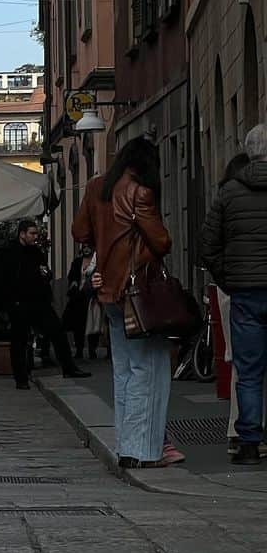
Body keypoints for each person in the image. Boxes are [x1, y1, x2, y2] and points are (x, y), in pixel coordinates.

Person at [73, 136, 174, 469]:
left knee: (125, 370)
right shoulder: (140, 190)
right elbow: (161, 241)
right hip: (137, 291)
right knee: (149, 369)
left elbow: (78, 231)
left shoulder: (96, 186)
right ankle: (145, 451)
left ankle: (127, 446)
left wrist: (104, 246)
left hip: (109, 293)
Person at [202, 126, 267, 466]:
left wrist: (229, 279)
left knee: (249, 370)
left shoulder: (229, 192)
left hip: (244, 293)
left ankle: (249, 443)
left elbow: (208, 245)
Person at [0, 219, 91, 390]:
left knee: (57, 331)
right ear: (22, 234)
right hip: (19, 304)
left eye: (36, 233)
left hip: (39, 302)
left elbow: (46, 272)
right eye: (32, 233)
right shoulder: (8, 253)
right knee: (19, 341)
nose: (35, 237)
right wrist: (9, 304)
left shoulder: (36, 252)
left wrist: (46, 274)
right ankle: (21, 379)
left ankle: (69, 367)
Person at [63, 243, 95, 360]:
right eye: (85, 247)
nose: (86, 249)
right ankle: (79, 350)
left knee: (93, 324)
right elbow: (71, 275)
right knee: (78, 325)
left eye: (89, 247)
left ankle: (92, 350)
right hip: (78, 297)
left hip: (92, 297)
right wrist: (74, 282)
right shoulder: (77, 262)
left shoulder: (96, 261)